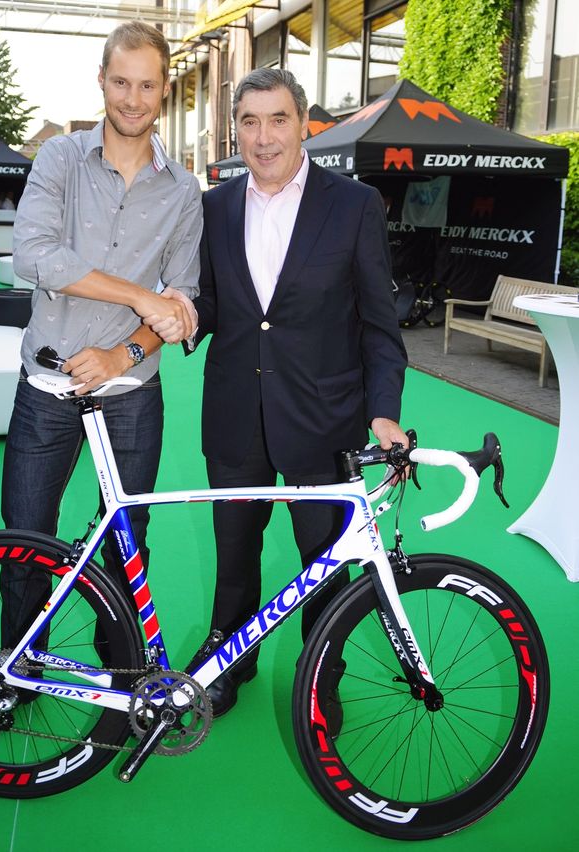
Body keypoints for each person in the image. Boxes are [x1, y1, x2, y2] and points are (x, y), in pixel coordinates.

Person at [0, 20, 202, 745]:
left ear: (165, 90)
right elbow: (34, 254)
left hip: (132, 397)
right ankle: (13, 677)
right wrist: (137, 296)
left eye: (147, 84)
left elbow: (182, 300)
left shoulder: (183, 189)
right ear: (102, 81)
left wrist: (128, 352)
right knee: (25, 544)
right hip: (47, 388)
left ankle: (125, 691)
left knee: (127, 547)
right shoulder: (59, 157)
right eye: (121, 81)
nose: (133, 97)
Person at [186, 69, 408, 720]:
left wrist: (384, 413)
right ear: (236, 130)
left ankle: (322, 677)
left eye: (277, 119)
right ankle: (230, 662)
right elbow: (210, 302)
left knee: (324, 565)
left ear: (304, 123)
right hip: (234, 416)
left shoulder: (354, 204)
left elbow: (379, 326)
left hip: (324, 423)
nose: (263, 137)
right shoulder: (213, 207)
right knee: (234, 559)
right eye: (249, 122)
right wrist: (177, 316)